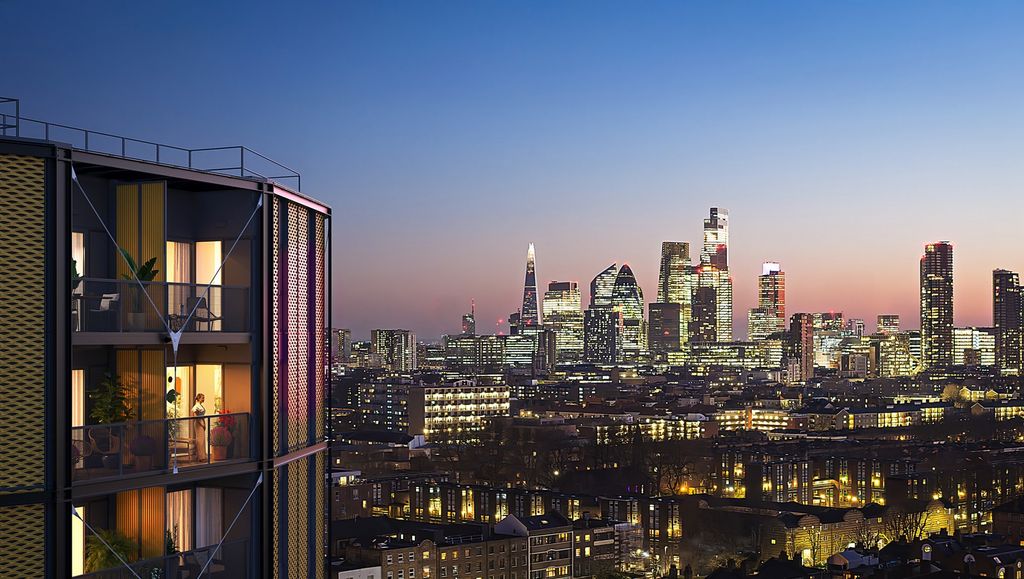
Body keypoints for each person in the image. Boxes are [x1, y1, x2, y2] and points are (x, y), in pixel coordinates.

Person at [192, 393, 207, 462]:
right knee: (200, 440)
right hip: (198, 424)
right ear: (198, 398)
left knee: (202, 439)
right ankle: (200, 457)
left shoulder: (200, 406)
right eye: (202, 398)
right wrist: (201, 424)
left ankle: (202, 456)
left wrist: (204, 423)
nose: (203, 399)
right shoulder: (196, 406)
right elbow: (195, 416)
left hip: (201, 422)